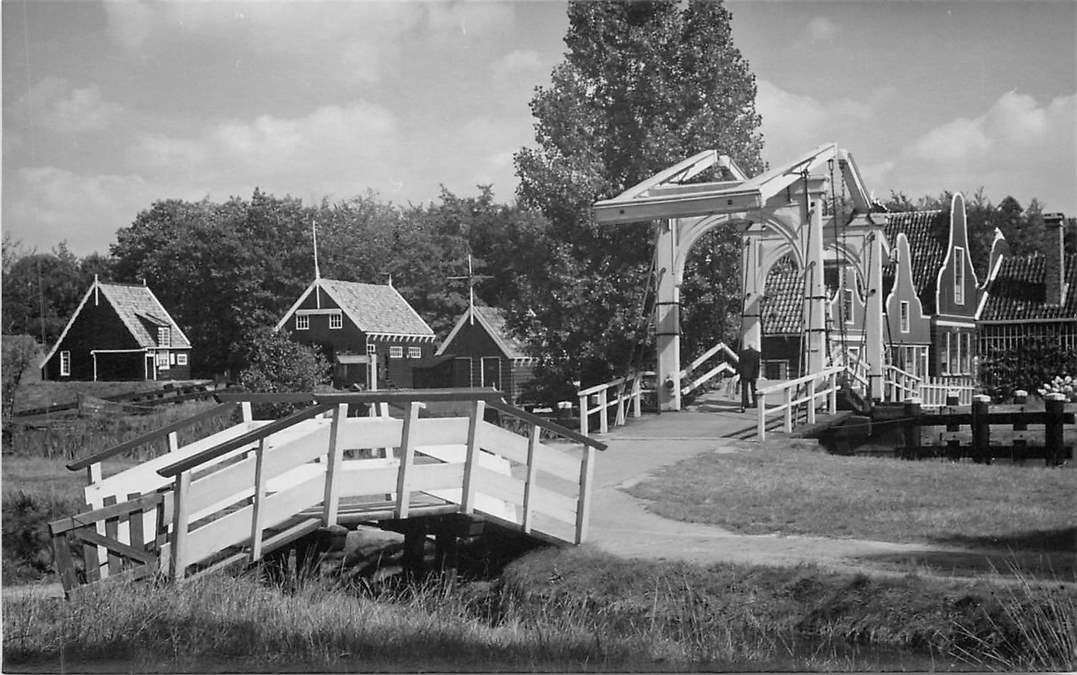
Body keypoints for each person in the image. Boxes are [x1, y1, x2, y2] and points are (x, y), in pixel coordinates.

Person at [737, 343, 761, 412]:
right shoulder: (757, 354)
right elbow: (757, 366)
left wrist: (738, 373)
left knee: (744, 390)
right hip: (753, 374)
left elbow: (740, 364)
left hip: (744, 374)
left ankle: (744, 404)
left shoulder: (742, 353)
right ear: (754, 346)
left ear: (748, 346)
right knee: (753, 389)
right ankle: (755, 403)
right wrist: (756, 375)